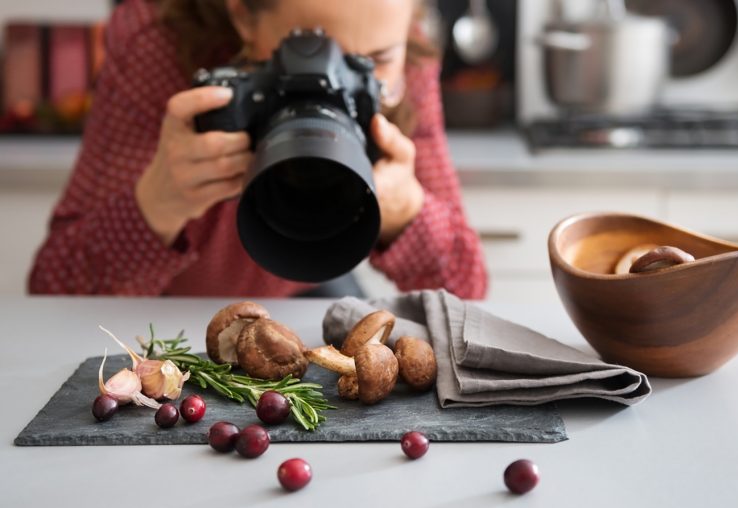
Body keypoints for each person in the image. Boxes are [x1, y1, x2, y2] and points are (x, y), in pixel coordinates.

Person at [28, 0, 487, 298]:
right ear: (242, 15)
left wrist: (408, 213)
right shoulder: (156, 42)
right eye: (309, 53)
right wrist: (156, 203)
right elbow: (54, 289)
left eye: (375, 61)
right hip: (161, 307)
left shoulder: (407, 57)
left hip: (305, 284)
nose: (335, 83)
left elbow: (467, 288)